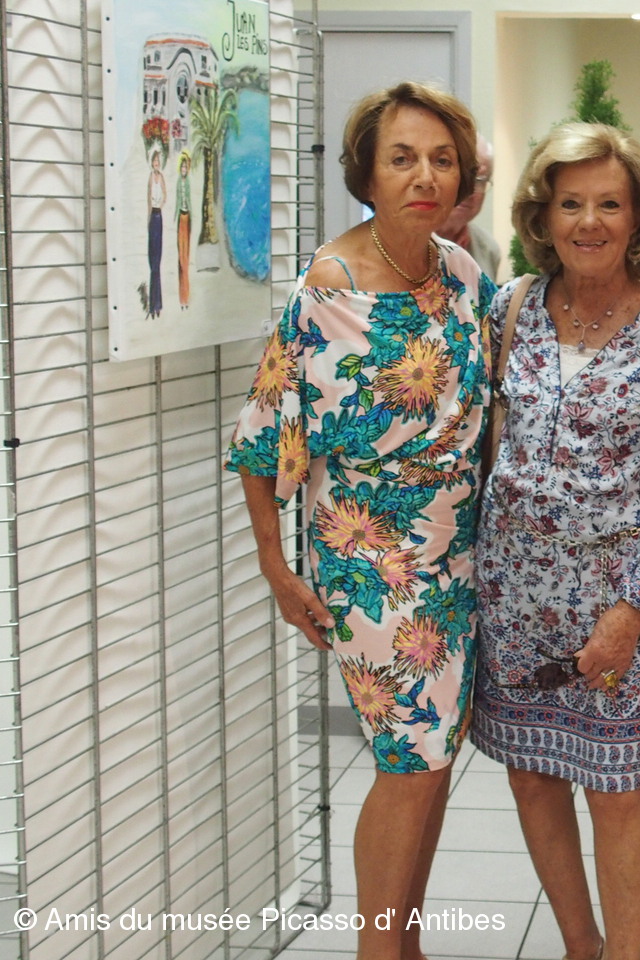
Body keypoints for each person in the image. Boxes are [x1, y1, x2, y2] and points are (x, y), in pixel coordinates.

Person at [225, 82, 493, 960]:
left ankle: (405, 946)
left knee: (432, 763)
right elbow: (262, 440)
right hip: (370, 563)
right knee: (409, 765)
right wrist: (276, 567)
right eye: (402, 158)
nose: (426, 176)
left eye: (443, 159)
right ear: (366, 175)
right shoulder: (326, 290)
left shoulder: (462, 276)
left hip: (457, 557)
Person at [470, 123, 640, 960]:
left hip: (622, 610)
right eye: (570, 203)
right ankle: (581, 944)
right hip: (514, 600)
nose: (589, 222)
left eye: (609, 204)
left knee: (616, 791)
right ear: (542, 215)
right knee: (533, 776)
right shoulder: (509, 311)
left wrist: (631, 614)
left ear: (638, 216)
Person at [437, 133, 501, 279]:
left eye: (479, 180)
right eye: (462, 176)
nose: (469, 190)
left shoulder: (488, 249)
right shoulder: (403, 241)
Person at [146, 148, 166, 318]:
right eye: (154, 161)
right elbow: (148, 199)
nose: (156, 164)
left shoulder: (162, 177)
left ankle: (156, 304)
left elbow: (165, 195)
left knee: (157, 262)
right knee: (152, 261)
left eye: (158, 162)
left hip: (159, 216)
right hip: (153, 216)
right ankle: (154, 304)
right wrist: (148, 218)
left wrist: (161, 204)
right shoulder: (150, 178)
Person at [176, 150, 193, 310]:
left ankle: (185, 298)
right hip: (180, 219)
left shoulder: (187, 183)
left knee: (185, 258)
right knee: (181, 258)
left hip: (187, 219)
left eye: (185, 168)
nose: (183, 170)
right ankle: (182, 299)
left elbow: (188, 201)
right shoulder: (178, 183)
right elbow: (177, 201)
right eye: (182, 168)